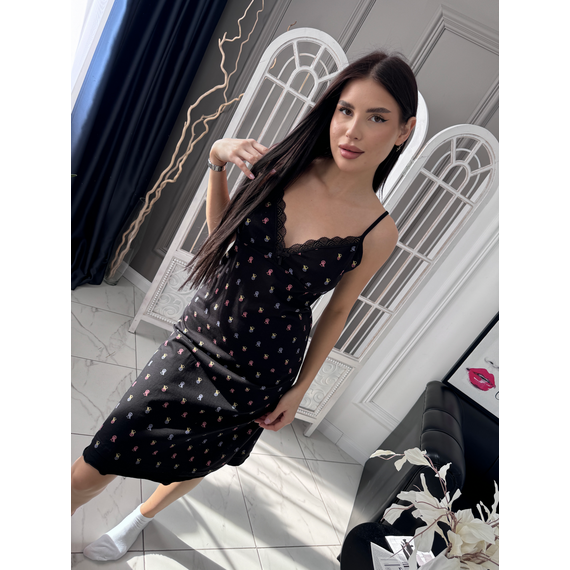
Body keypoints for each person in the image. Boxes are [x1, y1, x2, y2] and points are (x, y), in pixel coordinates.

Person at [70, 49, 418, 562]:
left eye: (377, 118)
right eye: (346, 110)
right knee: (103, 454)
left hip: (262, 372)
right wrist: (215, 160)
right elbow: (222, 236)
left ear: (404, 130)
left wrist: (300, 390)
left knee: (201, 458)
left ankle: (135, 521)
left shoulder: (378, 231)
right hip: (199, 338)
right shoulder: (283, 166)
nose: (352, 130)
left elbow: (338, 311)